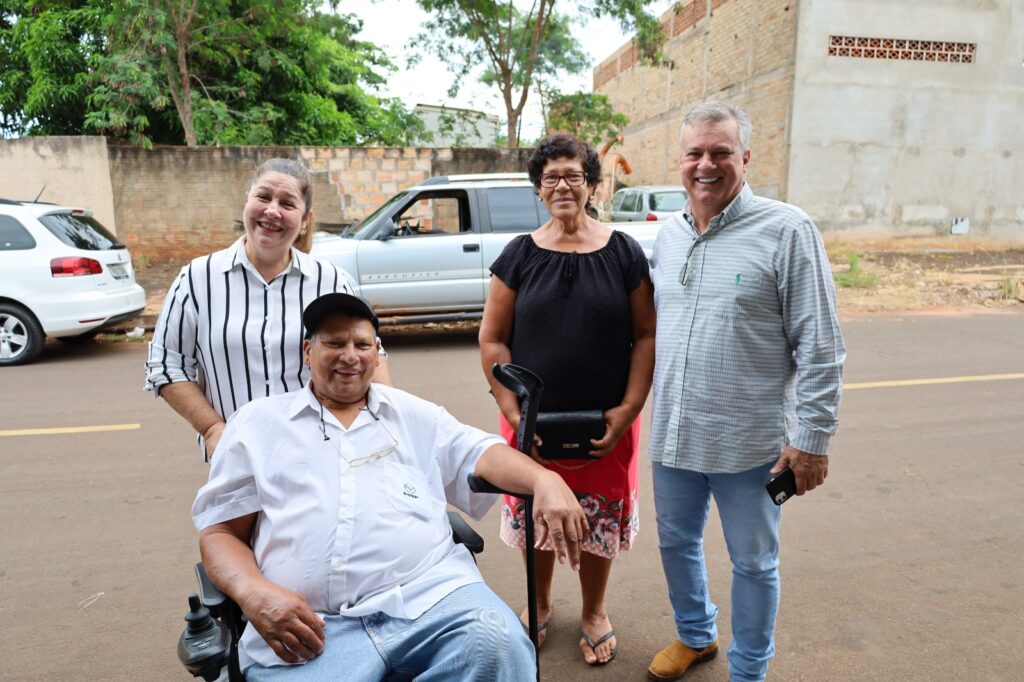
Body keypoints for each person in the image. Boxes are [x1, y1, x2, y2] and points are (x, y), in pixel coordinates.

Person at [194, 292, 588, 680]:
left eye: (362, 344)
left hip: (430, 603)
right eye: (335, 343)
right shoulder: (258, 425)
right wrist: (253, 594)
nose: (350, 356)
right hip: (311, 629)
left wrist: (544, 478)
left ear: (377, 353)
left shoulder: (413, 415)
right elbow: (221, 531)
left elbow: (481, 452)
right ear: (308, 352)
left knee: (498, 644)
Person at [645, 102, 845, 682]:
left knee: (754, 563)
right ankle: (695, 634)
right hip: (674, 436)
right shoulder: (669, 236)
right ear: (680, 161)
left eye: (721, 152)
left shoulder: (787, 231)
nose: (706, 164)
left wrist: (812, 440)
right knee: (675, 543)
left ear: (746, 157)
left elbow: (821, 346)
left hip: (750, 445)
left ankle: (749, 670)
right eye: (694, 153)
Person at [478, 133, 656, 665]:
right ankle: (538, 600)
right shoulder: (518, 255)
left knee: (598, 517)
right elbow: (493, 340)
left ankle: (594, 610)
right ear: (538, 188)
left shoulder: (624, 253)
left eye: (573, 176)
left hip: (607, 422)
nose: (561, 186)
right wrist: (513, 413)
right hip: (531, 421)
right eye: (550, 177)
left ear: (591, 185)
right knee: (538, 511)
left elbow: (646, 334)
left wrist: (628, 409)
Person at [144, 158, 390, 459]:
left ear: (305, 220)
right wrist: (212, 429)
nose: (272, 210)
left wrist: (387, 428)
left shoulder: (331, 281)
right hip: (238, 458)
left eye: (287, 203)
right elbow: (166, 364)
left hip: (320, 455)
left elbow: (372, 357)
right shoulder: (198, 279)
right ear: (246, 202)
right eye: (263, 197)